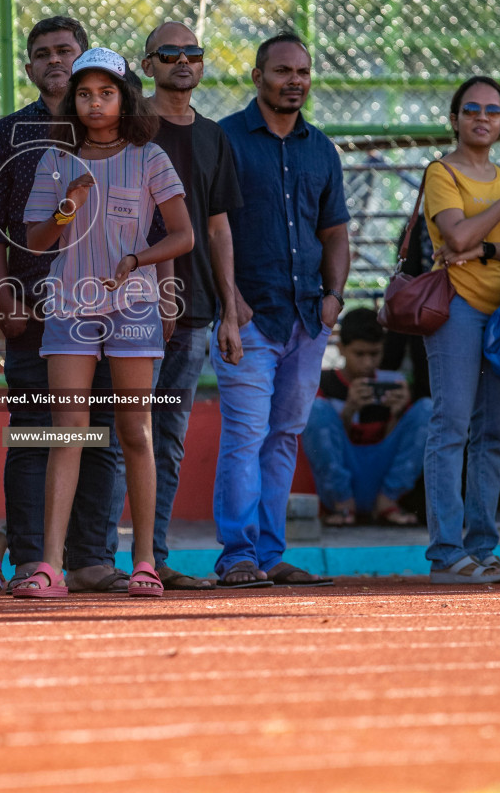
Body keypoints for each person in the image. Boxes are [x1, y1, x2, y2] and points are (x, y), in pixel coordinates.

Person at [10, 46, 192, 599]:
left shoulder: (151, 157)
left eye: (106, 93)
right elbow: (35, 240)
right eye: (84, 94)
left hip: (133, 305)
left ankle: (144, 563)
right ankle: (48, 566)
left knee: (135, 431)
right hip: (69, 302)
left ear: (124, 96)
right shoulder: (56, 160)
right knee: (69, 431)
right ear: (72, 101)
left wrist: (141, 265)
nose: (95, 103)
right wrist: (67, 207)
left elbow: (182, 235)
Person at [0, 16, 129, 594]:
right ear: (29, 68)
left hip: (112, 309)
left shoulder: (124, 133)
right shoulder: (7, 135)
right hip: (35, 308)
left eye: (67, 51)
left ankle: (90, 560)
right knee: (37, 428)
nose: (55, 61)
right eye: (43, 54)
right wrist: (2, 292)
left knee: (103, 432)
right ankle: (34, 559)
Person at [100, 20, 242, 591]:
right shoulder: (133, 133)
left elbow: (218, 228)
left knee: (169, 438)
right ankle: (100, 558)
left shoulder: (214, 136)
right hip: (132, 306)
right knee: (119, 434)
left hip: (197, 311)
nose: (183, 61)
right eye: (170, 53)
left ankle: (152, 558)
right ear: (148, 64)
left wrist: (230, 309)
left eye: (193, 53)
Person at [212, 31, 349, 589]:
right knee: (245, 436)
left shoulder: (321, 148)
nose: (295, 81)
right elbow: (209, 227)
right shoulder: (225, 141)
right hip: (248, 317)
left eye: (303, 72)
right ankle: (237, 556)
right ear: (257, 78)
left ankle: (270, 555)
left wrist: (334, 297)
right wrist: (230, 303)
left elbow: (334, 230)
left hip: (307, 318)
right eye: (283, 71)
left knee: (284, 436)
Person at [418, 76, 500, 583]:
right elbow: (457, 233)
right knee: (450, 427)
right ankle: (447, 552)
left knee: (491, 434)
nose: (482, 117)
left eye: (492, 111)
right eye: (471, 109)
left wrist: (485, 249)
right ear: (455, 119)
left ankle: (482, 547)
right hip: (458, 308)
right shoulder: (442, 173)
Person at [302, 307, 430, 527]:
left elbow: (395, 447)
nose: (368, 363)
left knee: (426, 409)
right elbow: (327, 446)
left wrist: (396, 414)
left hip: (381, 481)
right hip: (341, 483)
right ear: (341, 348)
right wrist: (350, 410)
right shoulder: (324, 383)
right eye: (359, 354)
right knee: (316, 410)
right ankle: (343, 506)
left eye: (374, 354)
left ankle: (387, 503)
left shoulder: (393, 382)